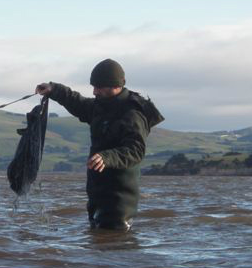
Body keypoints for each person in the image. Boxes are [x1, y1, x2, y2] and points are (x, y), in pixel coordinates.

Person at [36, 58, 164, 230]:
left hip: (119, 201)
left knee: (115, 246)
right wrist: (54, 89)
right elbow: (78, 102)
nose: (95, 92)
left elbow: (136, 150)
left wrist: (107, 157)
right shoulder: (100, 106)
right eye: (93, 87)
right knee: (97, 246)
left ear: (116, 85)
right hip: (97, 196)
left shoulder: (132, 114)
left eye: (99, 87)